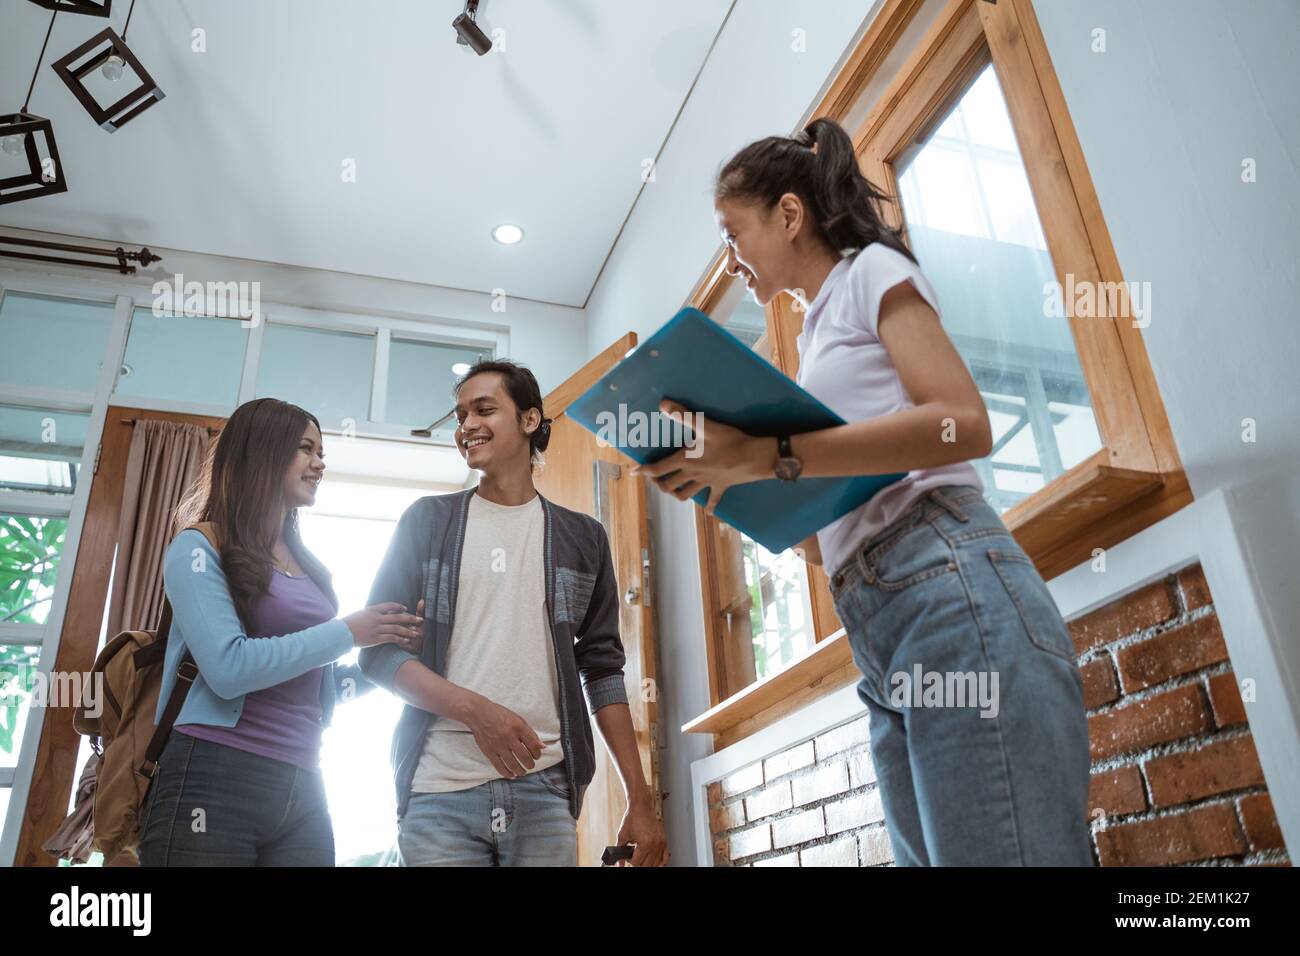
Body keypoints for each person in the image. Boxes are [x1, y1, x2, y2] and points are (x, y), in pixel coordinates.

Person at [633, 118, 1093, 866]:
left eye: (732, 232)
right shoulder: (814, 338)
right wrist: (732, 486)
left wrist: (766, 454)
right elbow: (838, 529)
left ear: (789, 214)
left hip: (948, 589)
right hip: (880, 629)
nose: (730, 260)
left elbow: (960, 424)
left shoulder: (871, 270)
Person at [360, 359, 668, 866]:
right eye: (460, 416)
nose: (466, 426)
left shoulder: (584, 538)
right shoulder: (426, 523)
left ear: (529, 420)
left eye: (484, 409)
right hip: (438, 794)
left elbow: (604, 669)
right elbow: (376, 656)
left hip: (545, 793)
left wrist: (639, 796)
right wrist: (476, 712)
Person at [138, 398, 424, 866]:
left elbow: (319, 686)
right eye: (306, 449)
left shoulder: (308, 566)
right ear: (264, 452)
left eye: (322, 452)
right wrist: (349, 631)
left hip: (304, 780)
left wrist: (392, 648)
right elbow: (229, 668)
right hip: (211, 773)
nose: (320, 464)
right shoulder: (197, 549)